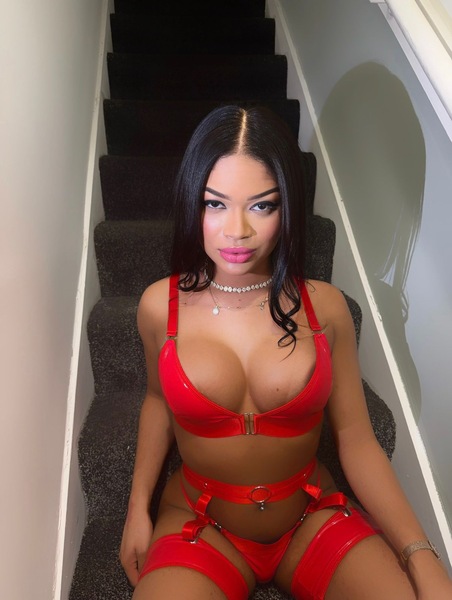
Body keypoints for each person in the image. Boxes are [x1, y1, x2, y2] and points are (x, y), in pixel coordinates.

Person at [119, 105, 452, 599]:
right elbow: (156, 402)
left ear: (287, 208)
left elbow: (357, 438)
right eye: (215, 204)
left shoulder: (326, 308)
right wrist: (136, 509)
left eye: (261, 206)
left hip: (310, 516)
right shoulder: (157, 307)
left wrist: (419, 552)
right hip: (200, 522)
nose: (237, 230)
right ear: (192, 203)